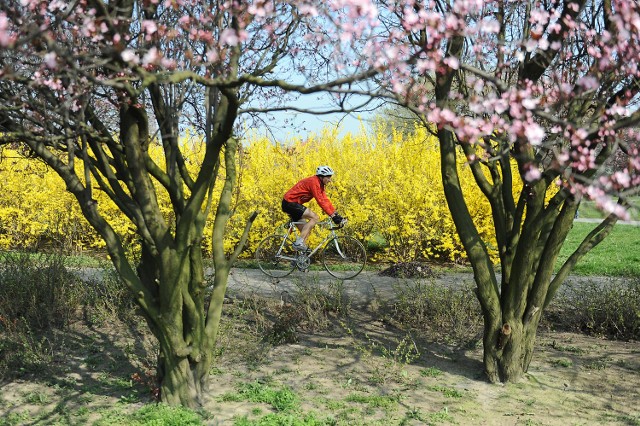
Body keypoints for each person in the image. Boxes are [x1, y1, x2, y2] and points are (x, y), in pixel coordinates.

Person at [281, 165, 345, 251]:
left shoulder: (320, 184)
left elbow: (325, 200)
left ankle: (298, 261)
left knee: (306, 232)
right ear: (322, 177)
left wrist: (335, 213)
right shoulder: (314, 182)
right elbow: (320, 201)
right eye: (328, 177)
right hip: (289, 203)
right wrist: (332, 216)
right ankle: (298, 243)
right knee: (315, 217)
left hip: (293, 204)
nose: (330, 180)